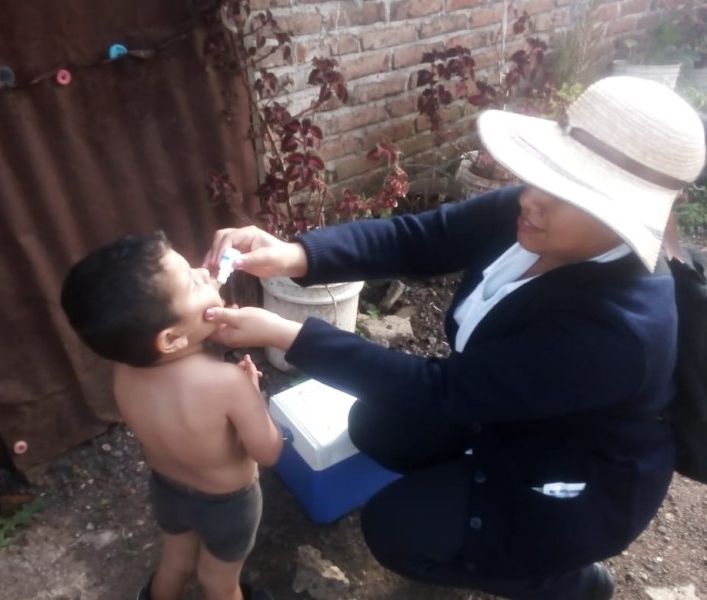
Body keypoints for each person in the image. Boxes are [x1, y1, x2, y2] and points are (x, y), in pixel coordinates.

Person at [201, 76, 706, 599]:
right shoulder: (533, 219)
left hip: (574, 478)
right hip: (507, 415)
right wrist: (295, 254)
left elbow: (440, 389)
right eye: (541, 174)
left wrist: (291, 336)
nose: (531, 198)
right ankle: (466, 492)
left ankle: (566, 583)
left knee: (394, 531)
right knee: (377, 424)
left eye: (564, 191)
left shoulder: (617, 330)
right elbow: (420, 238)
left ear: (622, 216)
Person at [60, 232, 282, 600]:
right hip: (228, 505)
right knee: (219, 582)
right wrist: (253, 396)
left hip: (167, 490)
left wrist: (198, 319)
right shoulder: (227, 383)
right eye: (194, 282)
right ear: (171, 339)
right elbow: (268, 452)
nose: (204, 272)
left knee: (176, 561)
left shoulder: (124, 366)